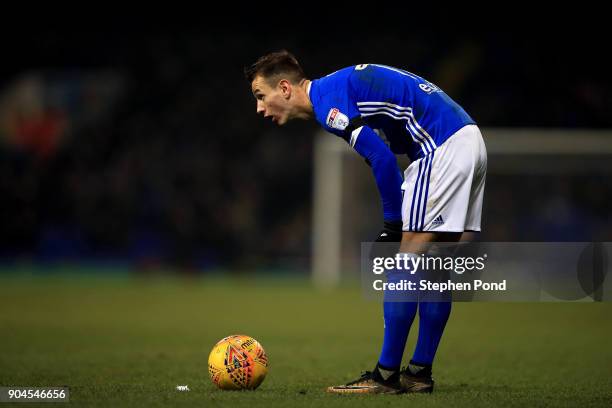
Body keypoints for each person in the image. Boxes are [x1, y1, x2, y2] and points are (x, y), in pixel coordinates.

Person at [245, 50, 487, 394]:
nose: (259, 107)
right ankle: (418, 372)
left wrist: (392, 224)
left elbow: (382, 159)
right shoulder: (338, 88)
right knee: (435, 265)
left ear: (284, 88)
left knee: (405, 259)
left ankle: (386, 375)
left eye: (260, 96)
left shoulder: (329, 104)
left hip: (441, 146)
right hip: (467, 139)